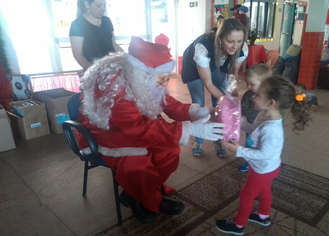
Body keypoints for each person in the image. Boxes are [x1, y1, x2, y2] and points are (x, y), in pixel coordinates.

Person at [76, 36, 225, 224]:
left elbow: (164, 100)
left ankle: (139, 195)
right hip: (108, 130)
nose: (163, 81)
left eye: (165, 76)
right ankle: (149, 199)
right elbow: (139, 128)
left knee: (170, 151)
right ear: (144, 73)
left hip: (136, 125)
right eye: (161, 77)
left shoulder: (152, 77)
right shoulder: (115, 90)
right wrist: (188, 129)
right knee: (136, 163)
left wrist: (194, 112)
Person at [215, 75, 311, 235]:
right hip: (265, 167)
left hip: (263, 168)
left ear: (271, 102)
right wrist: (239, 122)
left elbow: (265, 153)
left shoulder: (272, 129)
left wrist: (238, 150)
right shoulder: (265, 114)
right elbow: (255, 131)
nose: (253, 96)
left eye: (258, 94)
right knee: (265, 190)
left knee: (246, 195)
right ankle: (263, 216)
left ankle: (238, 226)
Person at [181, 18, 248, 158]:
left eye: (239, 41)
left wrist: (232, 93)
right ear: (220, 38)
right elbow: (208, 83)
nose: (235, 46)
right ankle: (198, 140)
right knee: (198, 103)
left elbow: (232, 72)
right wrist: (226, 98)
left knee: (219, 105)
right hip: (193, 68)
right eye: (230, 41)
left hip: (217, 65)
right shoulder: (203, 47)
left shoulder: (241, 49)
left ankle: (218, 139)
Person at [233, 64, 272, 172]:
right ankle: (248, 162)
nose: (249, 87)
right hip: (250, 125)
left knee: (262, 145)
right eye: (247, 84)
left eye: (252, 84)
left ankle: (259, 162)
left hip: (262, 126)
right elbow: (243, 107)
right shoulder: (248, 94)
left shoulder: (270, 97)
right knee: (250, 144)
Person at [69, 0, 123, 71]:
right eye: (99, 5)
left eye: (104, 5)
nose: (103, 8)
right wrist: (93, 72)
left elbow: (114, 45)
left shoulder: (107, 21)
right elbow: (78, 55)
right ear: (87, 5)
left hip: (112, 68)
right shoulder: (77, 25)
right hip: (93, 71)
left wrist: (128, 57)